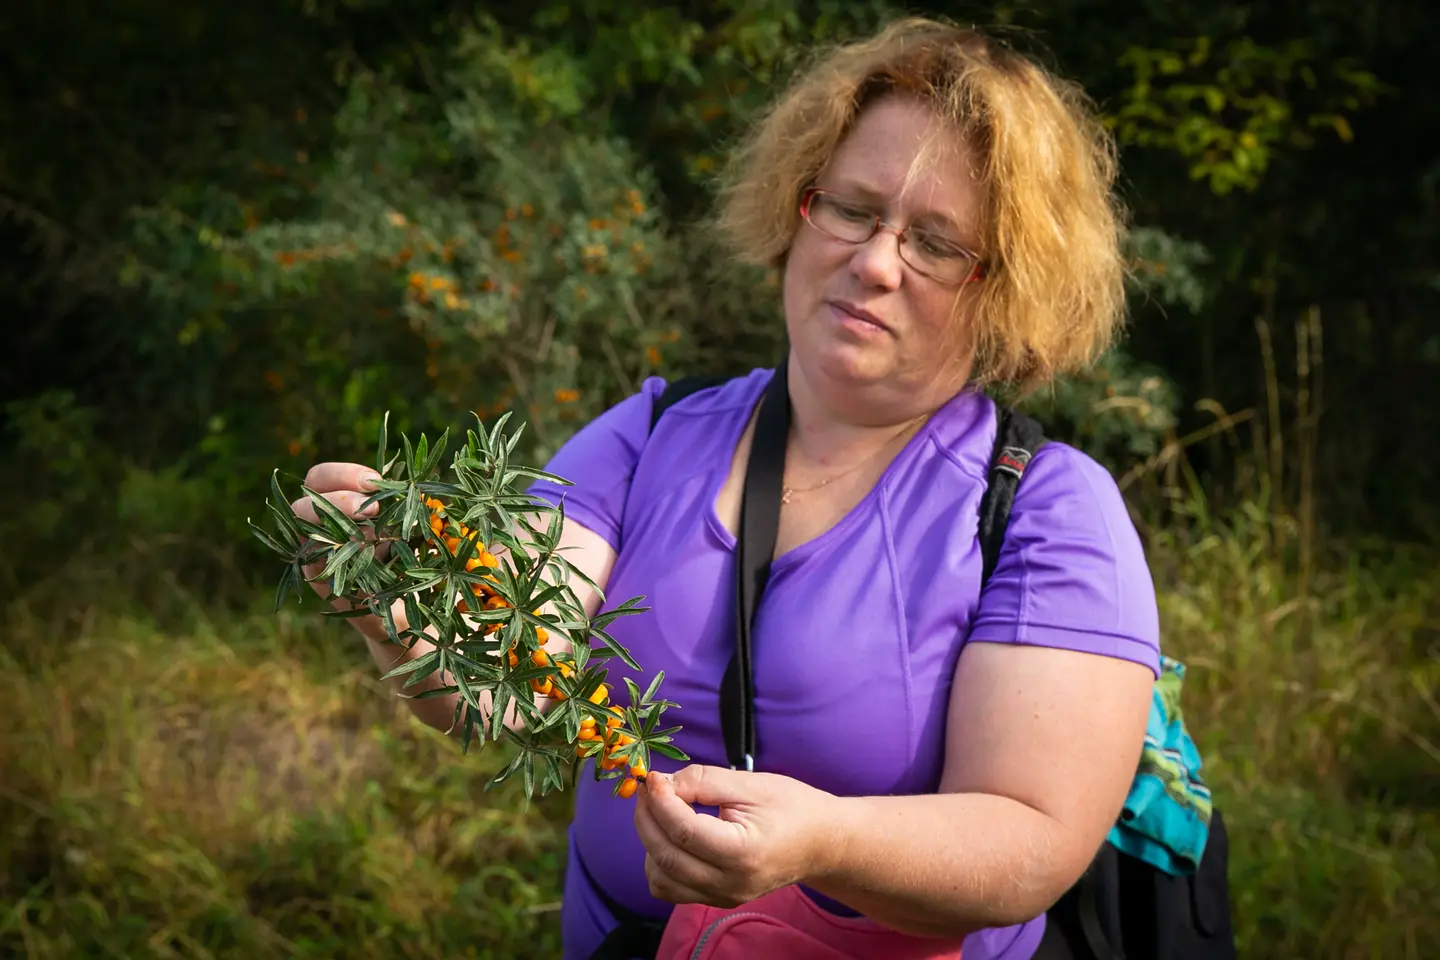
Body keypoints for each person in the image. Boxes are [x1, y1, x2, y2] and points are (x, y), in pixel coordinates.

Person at [290, 17, 1160, 960]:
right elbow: (513, 675)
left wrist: (827, 841)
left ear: (1008, 290)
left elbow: (1033, 842)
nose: (873, 262)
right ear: (798, 205)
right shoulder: (655, 433)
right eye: (853, 209)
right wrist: (412, 615)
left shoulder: (1046, 510)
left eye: (937, 244)